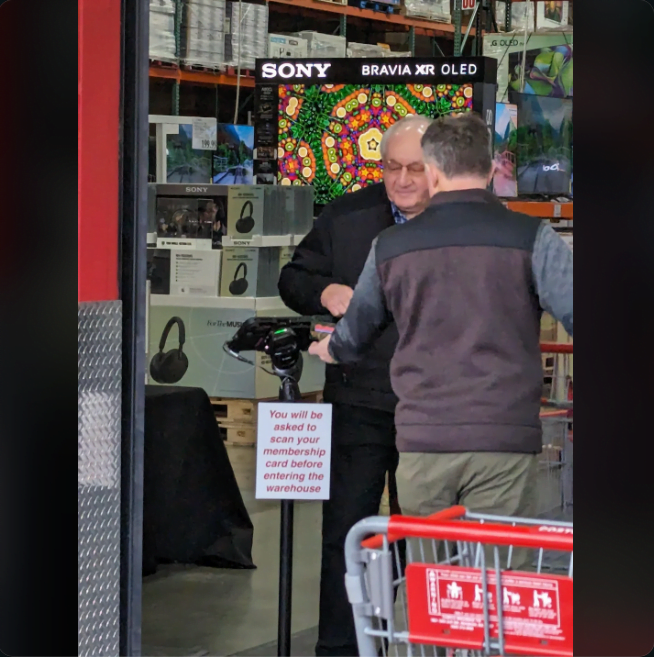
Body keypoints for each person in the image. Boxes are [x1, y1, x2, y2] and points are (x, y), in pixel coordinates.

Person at [309, 113, 573, 570]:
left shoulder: (391, 245)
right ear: (491, 168)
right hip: (503, 438)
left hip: (423, 441)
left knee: (433, 589)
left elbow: (355, 331)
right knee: (497, 588)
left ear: (432, 172)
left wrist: (329, 350)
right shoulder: (533, 239)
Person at [278, 115, 432, 657]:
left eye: (416, 168)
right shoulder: (346, 216)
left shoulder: (458, 220)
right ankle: (338, 648)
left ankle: (420, 643)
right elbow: (292, 278)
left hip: (433, 408)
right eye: (392, 167)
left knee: (429, 537)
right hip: (358, 398)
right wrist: (327, 291)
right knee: (346, 532)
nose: (403, 179)